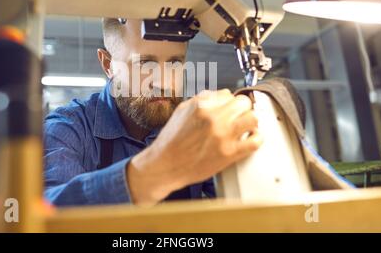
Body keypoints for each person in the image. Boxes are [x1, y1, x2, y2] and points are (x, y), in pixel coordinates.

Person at [43, 18, 262, 207]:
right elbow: (45, 215)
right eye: (145, 63)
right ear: (108, 64)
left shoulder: (195, 122)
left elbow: (253, 202)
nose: (164, 82)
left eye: (175, 63)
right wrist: (159, 168)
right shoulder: (68, 128)